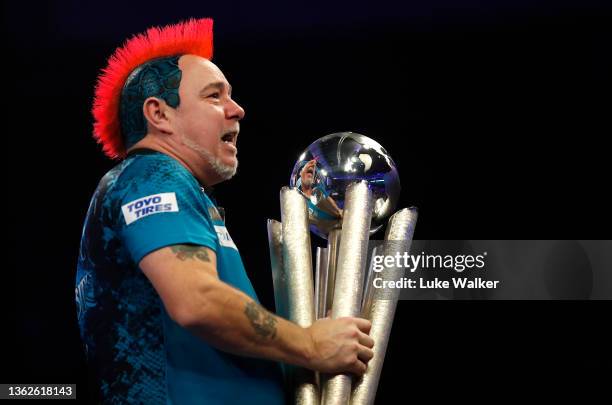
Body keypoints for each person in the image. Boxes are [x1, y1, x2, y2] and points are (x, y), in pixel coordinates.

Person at [75, 18, 374, 404]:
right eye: (214, 96)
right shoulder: (151, 174)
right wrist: (309, 343)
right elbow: (197, 302)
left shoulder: (185, 193)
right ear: (159, 114)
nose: (238, 110)